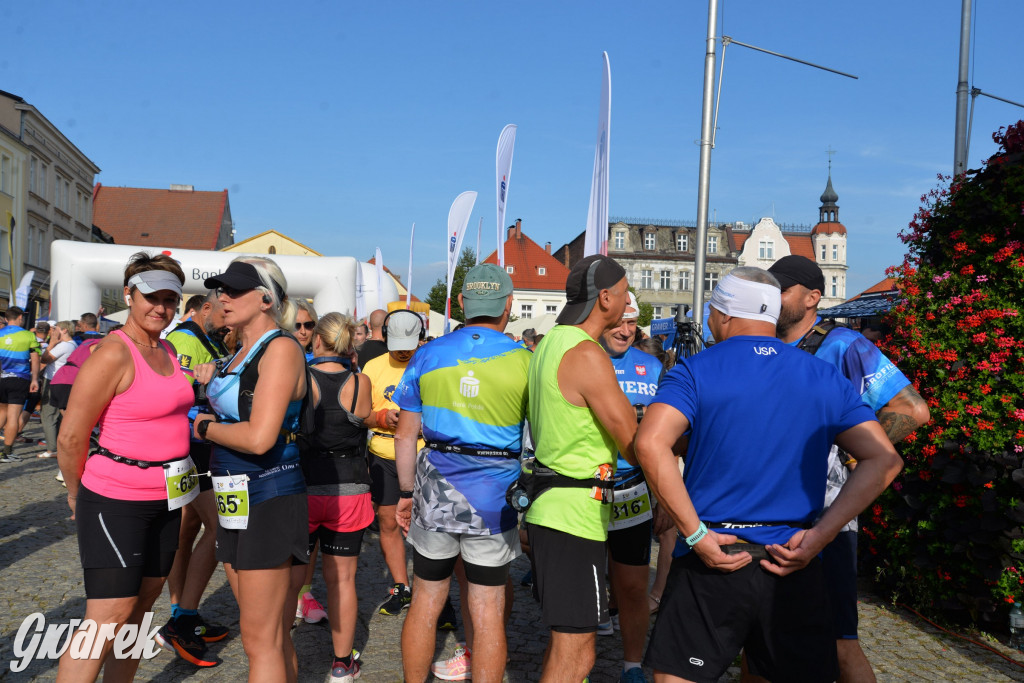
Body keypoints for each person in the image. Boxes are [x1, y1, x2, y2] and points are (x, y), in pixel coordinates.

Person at [636, 267, 904, 683]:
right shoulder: (821, 374)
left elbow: (649, 443)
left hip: (715, 554)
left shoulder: (695, 370)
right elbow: (884, 459)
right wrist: (822, 536)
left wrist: (694, 535)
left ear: (721, 314)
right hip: (793, 558)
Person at [765, 255, 930, 683]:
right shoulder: (762, 344)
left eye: (781, 289)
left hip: (827, 521)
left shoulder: (843, 344)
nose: (772, 296)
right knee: (763, 639)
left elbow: (912, 410)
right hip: (765, 515)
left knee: (839, 642)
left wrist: (857, 454)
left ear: (812, 297)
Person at [56, 253, 195, 681]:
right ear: (129, 296)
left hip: (168, 496)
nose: (161, 308)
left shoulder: (169, 349)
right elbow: (71, 436)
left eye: (170, 300)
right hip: (115, 498)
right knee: (107, 615)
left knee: (140, 608)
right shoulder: (113, 353)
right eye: (152, 297)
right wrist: (77, 493)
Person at [394, 264, 530, 683]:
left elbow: (405, 434)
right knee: (487, 609)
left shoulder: (428, 354)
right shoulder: (526, 360)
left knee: (426, 600)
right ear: (508, 305)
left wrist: (404, 493)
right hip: (495, 493)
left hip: (435, 486)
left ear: (461, 305)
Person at [194, 257, 310, 682]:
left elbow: (260, 437)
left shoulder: (279, 347)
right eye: (220, 290)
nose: (222, 298)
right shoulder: (237, 350)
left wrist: (204, 427)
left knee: (260, 639)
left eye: (234, 290)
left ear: (266, 300)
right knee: (271, 635)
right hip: (234, 496)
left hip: (269, 495)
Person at [524, 254, 638, 682]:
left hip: (555, 508)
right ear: (605, 297)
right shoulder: (587, 353)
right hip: (573, 516)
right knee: (577, 653)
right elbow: (632, 440)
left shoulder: (550, 343)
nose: (628, 304)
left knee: (566, 644)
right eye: (625, 294)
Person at [156, 291, 231, 666]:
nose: (227, 316)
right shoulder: (185, 339)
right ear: (205, 308)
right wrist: (210, 385)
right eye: (222, 310)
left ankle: (182, 612)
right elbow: (177, 393)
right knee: (217, 529)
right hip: (188, 448)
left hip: (194, 447)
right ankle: (180, 616)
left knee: (187, 531)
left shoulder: (208, 339)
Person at [598, 292, 668, 683]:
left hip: (634, 484)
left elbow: (665, 432)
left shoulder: (650, 364)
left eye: (631, 324)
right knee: (587, 578)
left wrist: (663, 497)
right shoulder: (586, 358)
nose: (625, 331)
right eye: (617, 322)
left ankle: (632, 665)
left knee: (632, 583)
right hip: (585, 483)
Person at [301, 312, 373, 683]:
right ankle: (342, 663)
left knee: (288, 579)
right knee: (342, 580)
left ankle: (280, 653)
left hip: (305, 486)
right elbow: (364, 422)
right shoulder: (361, 382)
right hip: (350, 489)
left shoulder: (302, 378)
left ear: (317, 341)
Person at [361, 309, 425, 615]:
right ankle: (402, 586)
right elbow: (360, 415)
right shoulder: (372, 367)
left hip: (425, 454)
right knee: (388, 522)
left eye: (408, 343)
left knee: (430, 526)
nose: (402, 349)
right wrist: (382, 417)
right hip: (384, 454)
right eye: (396, 342)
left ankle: (434, 593)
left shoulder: (430, 362)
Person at [291, 298, 330, 625]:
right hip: (285, 454)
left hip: (316, 455)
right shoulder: (278, 357)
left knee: (310, 531)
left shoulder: (323, 361)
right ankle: (287, 593)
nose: (304, 331)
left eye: (309, 325)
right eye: (297, 325)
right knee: (289, 529)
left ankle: (304, 591)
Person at [0, 307, 41, 463]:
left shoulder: (0, 334)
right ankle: (7, 452)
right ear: (19, 317)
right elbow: (35, 359)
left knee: (2, 412)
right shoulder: (29, 335)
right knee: (13, 417)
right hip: (20, 379)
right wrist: (35, 379)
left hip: (3, 378)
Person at [36, 321, 77, 459]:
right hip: (61, 381)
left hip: (53, 380)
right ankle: (58, 445)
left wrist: (52, 342)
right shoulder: (71, 345)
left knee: (48, 415)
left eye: (56, 329)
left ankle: (52, 449)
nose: (52, 331)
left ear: (64, 330)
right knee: (57, 415)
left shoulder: (65, 345)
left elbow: (45, 358)